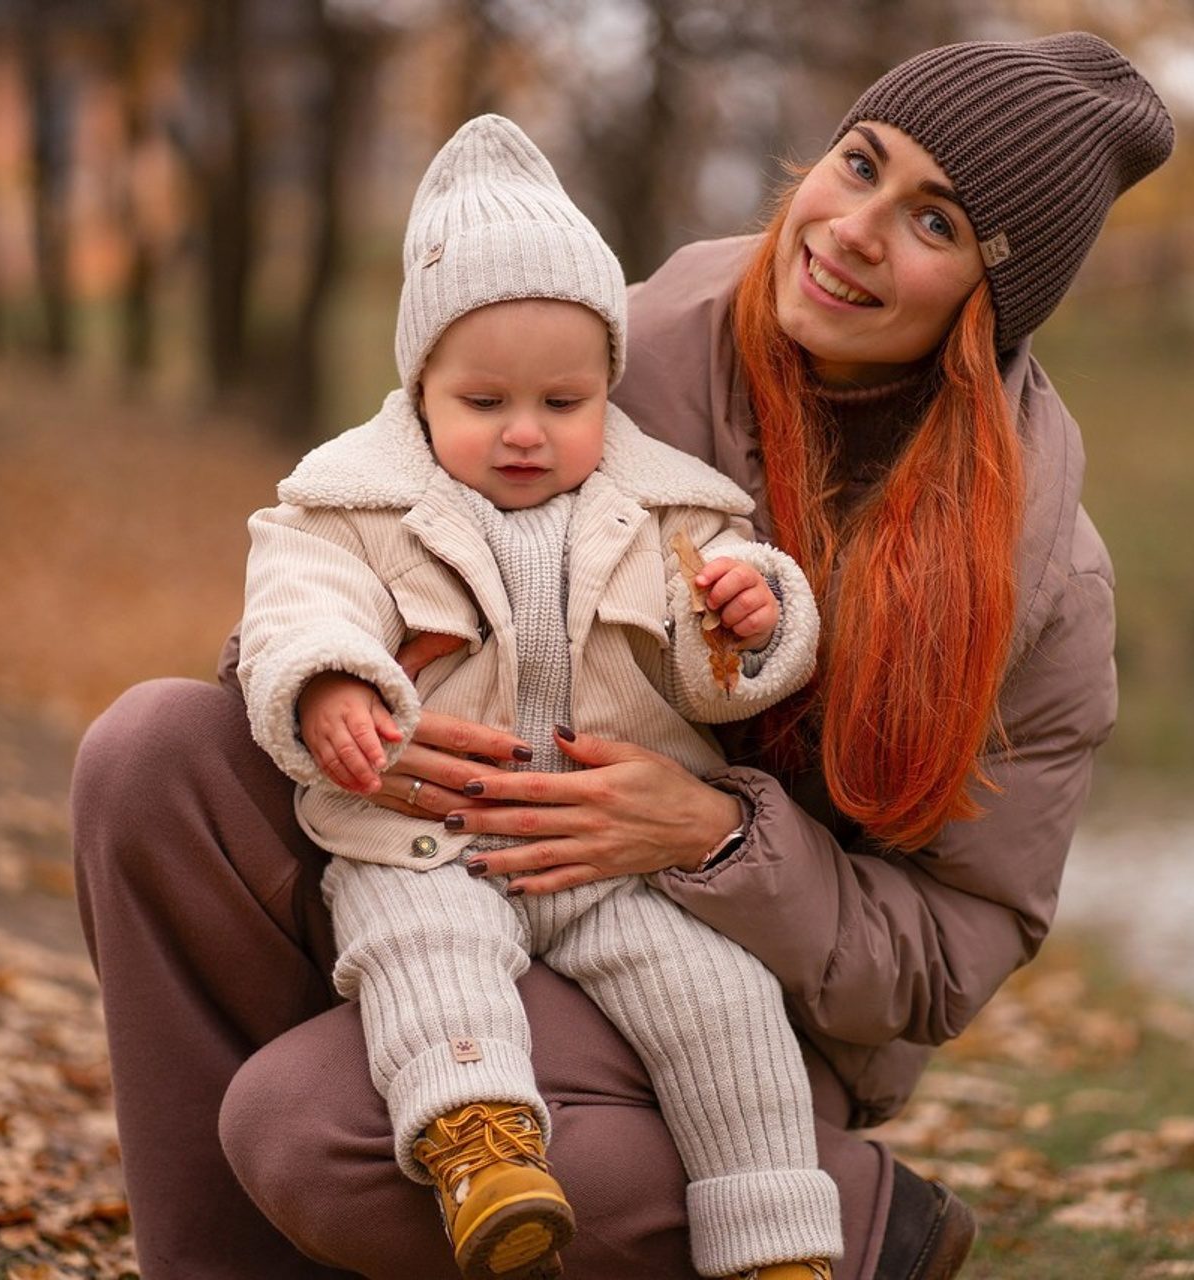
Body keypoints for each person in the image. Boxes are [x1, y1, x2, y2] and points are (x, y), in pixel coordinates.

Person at [70, 30, 1174, 1280]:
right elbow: (357, 516)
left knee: (312, 1124)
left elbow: (943, 954)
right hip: (464, 847)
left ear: (993, 299)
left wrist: (711, 834)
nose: (854, 227)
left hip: (730, 978)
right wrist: (366, 674)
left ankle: (861, 1222)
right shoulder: (622, 344)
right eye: (858, 162)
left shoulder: (1036, 571)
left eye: (933, 223)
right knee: (151, 754)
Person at [236, 113, 836, 1280]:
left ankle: (778, 1242)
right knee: (422, 946)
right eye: (483, 401)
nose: (523, 433)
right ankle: (485, 1153)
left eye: (562, 403)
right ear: (421, 388)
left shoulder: (674, 509)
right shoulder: (347, 504)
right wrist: (327, 685)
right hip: (432, 834)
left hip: (611, 855)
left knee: (720, 997)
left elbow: (715, 675)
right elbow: (294, 605)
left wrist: (756, 614)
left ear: (607, 386)